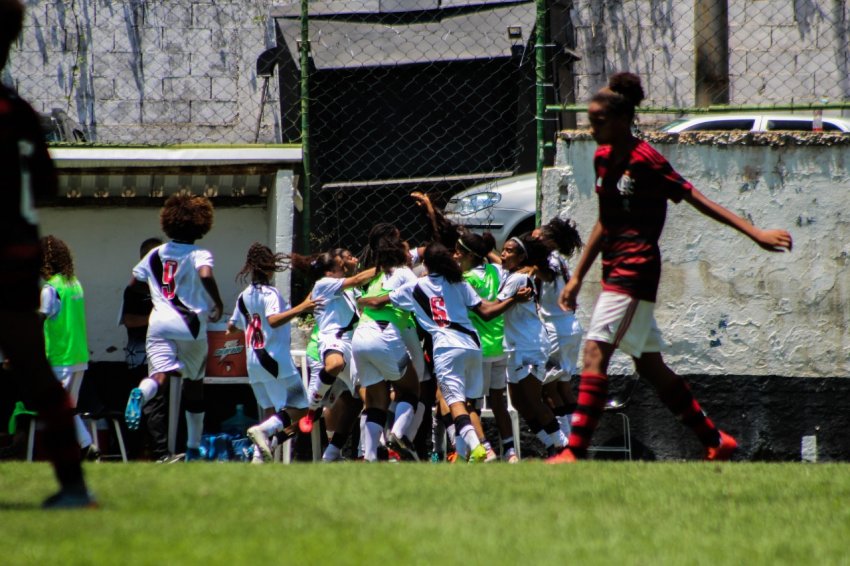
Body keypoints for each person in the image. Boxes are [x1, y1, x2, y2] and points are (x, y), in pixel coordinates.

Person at [549, 72, 793, 463]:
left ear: (621, 119)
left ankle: (573, 452)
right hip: (615, 271)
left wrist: (755, 232)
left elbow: (697, 198)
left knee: (594, 354)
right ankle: (715, 441)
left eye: (598, 121)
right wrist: (578, 275)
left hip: (636, 271)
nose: (592, 128)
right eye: (590, 120)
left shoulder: (646, 160)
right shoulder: (603, 157)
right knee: (650, 366)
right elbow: (605, 221)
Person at [0, 0, 94, 508]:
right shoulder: (19, 112)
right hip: (15, 256)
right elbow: (48, 183)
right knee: (34, 372)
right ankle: (74, 486)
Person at [362, 242, 529, 462]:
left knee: (454, 402)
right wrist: (514, 299)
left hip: (446, 348)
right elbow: (487, 312)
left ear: (426, 264)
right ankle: (461, 455)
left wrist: (360, 300)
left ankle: (477, 447)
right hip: (472, 346)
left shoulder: (416, 287)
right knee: (468, 403)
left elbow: (377, 301)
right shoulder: (459, 283)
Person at [123, 194, 225, 462]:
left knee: (160, 375)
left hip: (158, 324)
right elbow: (205, 274)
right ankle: (192, 448)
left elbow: (133, 284)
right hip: (189, 325)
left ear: (168, 223)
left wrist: (157, 294)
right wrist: (217, 302)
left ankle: (141, 392)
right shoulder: (199, 253)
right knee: (194, 383)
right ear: (201, 225)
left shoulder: (155, 253)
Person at [228, 243, 314, 463]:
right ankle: (263, 431)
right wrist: (302, 307)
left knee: (270, 409)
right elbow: (273, 320)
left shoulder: (244, 296)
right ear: (269, 267)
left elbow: (231, 327)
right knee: (301, 408)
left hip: (253, 363)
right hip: (274, 360)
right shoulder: (271, 293)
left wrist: (249, 323)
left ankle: (259, 458)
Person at [453, 231, 515, 462]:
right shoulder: (496, 271)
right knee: (498, 401)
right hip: (500, 346)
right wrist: (487, 250)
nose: (455, 256)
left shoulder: (465, 280)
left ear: (470, 255)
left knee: (470, 403)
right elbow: (499, 262)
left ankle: (486, 449)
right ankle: (510, 452)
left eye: (459, 252)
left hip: (479, 349)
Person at [38, 235, 95, 459]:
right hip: (79, 357)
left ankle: (85, 446)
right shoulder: (74, 283)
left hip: (60, 358)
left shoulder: (51, 288)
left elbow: (40, 320)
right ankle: (83, 449)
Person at [533, 217, 583, 440]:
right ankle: (577, 439)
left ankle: (565, 441)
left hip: (557, 329)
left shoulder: (550, 260)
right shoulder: (560, 259)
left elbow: (547, 274)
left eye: (541, 235)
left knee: (548, 388)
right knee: (563, 387)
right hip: (570, 327)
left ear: (550, 240)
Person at [119, 237, 168, 461]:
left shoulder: (166, 286)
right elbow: (129, 320)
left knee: (156, 405)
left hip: (161, 354)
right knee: (151, 405)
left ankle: (155, 452)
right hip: (140, 357)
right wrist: (157, 319)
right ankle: (154, 454)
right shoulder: (135, 289)